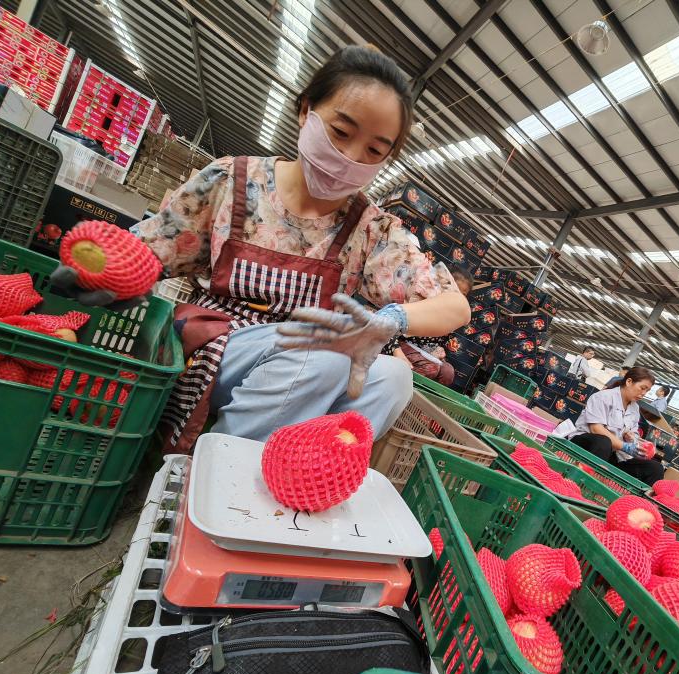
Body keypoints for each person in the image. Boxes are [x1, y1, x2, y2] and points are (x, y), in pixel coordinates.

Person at [132, 46, 470, 453]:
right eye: (341, 132)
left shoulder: (370, 228)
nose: (350, 157)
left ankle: (301, 468)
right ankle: (221, 467)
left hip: (306, 372)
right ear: (306, 110)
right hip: (214, 350)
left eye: (374, 151)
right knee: (325, 350)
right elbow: (150, 250)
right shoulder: (233, 182)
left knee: (394, 379)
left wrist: (390, 320)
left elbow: (455, 307)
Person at [567, 366, 664, 485]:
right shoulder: (603, 397)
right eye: (642, 388)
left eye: (647, 391)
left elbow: (634, 433)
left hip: (612, 454)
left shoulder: (635, 408)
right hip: (585, 446)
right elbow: (596, 429)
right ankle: (579, 484)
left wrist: (632, 439)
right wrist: (624, 446)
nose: (643, 393)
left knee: (656, 468)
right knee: (603, 442)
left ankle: (633, 497)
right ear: (629, 382)